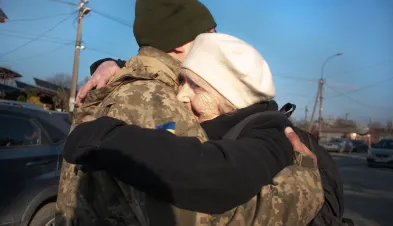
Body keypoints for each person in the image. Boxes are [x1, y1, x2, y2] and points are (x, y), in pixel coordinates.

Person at [64, 33, 324, 226]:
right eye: (181, 81)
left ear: (230, 97)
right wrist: (115, 64)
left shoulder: (270, 137)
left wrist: (105, 137)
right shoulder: (230, 121)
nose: (180, 96)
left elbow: (206, 171)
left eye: (196, 87)